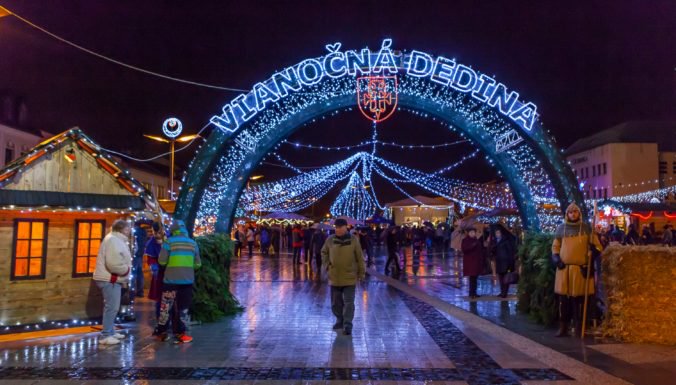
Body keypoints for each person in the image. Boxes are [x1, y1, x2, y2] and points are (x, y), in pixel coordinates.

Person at [551, 202, 602, 337]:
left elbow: (598, 246)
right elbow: (555, 247)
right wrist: (556, 259)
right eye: (570, 212)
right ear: (567, 214)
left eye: (575, 212)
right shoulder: (561, 228)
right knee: (564, 301)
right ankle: (563, 326)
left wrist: (594, 250)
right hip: (564, 270)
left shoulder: (586, 228)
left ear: (579, 213)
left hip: (580, 270)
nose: (573, 214)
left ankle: (579, 326)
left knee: (578, 301)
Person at [152, 220, 201, 344]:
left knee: (166, 307)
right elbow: (198, 264)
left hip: (170, 281)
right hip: (187, 281)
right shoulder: (193, 243)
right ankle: (180, 333)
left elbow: (162, 261)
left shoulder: (169, 242)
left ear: (173, 230)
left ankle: (162, 332)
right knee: (182, 308)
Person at [321, 218, 365, 336]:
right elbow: (324, 252)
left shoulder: (353, 240)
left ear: (346, 227)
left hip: (349, 276)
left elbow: (360, 257)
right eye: (336, 227)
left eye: (340, 227)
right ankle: (339, 320)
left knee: (349, 302)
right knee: (336, 302)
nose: (338, 229)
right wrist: (327, 265)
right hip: (334, 277)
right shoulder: (330, 240)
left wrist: (361, 273)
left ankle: (347, 324)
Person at [93, 219, 133, 345]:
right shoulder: (114, 241)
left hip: (112, 278)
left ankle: (110, 331)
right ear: (123, 229)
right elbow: (113, 263)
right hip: (110, 278)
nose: (129, 231)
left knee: (113, 306)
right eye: (128, 229)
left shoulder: (115, 239)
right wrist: (126, 271)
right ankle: (106, 335)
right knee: (112, 307)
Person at [144, 222, 165, 318]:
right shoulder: (151, 243)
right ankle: (159, 315)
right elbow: (151, 258)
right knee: (159, 295)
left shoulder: (168, 238)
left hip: (169, 269)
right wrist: (154, 267)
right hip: (159, 271)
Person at [491, 227, 516, 298]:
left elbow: (510, 252)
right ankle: (502, 292)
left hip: (505, 262)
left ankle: (504, 293)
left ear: (501, 234)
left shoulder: (506, 241)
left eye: (498, 233)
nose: (497, 234)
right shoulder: (495, 242)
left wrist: (511, 263)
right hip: (499, 262)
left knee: (506, 279)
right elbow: (493, 252)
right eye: (496, 233)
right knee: (501, 279)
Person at [461, 228, 484, 298]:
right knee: (472, 278)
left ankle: (474, 293)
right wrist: (473, 245)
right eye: (471, 232)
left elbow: (480, 250)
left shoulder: (477, 240)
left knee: (475, 278)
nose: (472, 233)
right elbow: (464, 249)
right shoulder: (465, 240)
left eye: (473, 232)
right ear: (468, 233)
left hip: (476, 262)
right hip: (470, 262)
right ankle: (471, 293)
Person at [132, 221, 147, 297]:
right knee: (139, 273)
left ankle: (131, 291)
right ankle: (140, 291)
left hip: (134, 254)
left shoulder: (134, 231)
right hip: (140, 254)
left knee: (133, 273)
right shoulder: (143, 232)